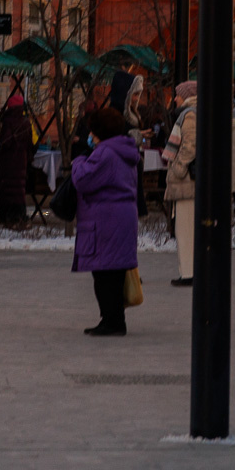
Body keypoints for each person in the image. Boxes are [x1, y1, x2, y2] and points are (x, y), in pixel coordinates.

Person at [71, 105, 141, 336]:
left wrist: (78, 162)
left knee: (104, 273)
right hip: (121, 217)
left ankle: (112, 321)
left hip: (106, 220)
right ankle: (113, 319)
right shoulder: (125, 151)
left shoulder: (105, 153)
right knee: (114, 271)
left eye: (92, 131)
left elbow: (84, 179)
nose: (90, 136)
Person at [162, 80, 197, 287]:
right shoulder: (190, 113)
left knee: (185, 229)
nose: (175, 98)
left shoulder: (189, 115)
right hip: (187, 182)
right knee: (185, 227)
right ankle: (189, 271)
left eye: (178, 94)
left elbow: (189, 146)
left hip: (186, 182)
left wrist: (177, 168)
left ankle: (189, 273)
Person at [0, 92, 32, 227]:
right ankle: (19, 216)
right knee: (18, 189)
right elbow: (30, 144)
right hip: (21, 162)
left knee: (6, 189)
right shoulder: (26, 123)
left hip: (7, 162)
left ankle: (6, 216)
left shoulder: (7, 122)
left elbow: (4, 142)